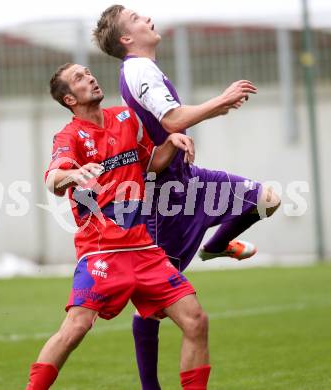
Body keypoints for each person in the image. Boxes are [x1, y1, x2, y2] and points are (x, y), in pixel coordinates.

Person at [94, 5, 281, 390]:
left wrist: (204, 116)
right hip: (165, 201)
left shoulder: (145, 68)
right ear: (127, 38)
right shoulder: (138, 69)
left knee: (267, 197)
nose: (146, 18)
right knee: (154, 305)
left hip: (187, 180)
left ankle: (217, 246)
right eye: (136, 19)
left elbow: (170, 124)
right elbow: (173, 119)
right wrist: (221, 100)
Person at [25, 63, 211, 389]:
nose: (91, 78)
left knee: (196, 321)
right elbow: (53, 179)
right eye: (79, 78)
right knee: (76, 328)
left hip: (144, 250)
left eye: (88, 72)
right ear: (70, 99)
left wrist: (173, 141)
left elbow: (149, 163)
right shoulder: (69, 136)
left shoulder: (125, 119)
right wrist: (72, 174)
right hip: (102, 253)